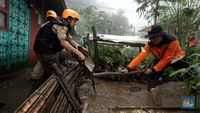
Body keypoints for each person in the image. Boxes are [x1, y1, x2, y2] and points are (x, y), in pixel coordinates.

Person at [32, 9, 85, 90]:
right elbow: (63, 42)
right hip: (45, 51)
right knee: (58, 74)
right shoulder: (62, 25)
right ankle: (57, 93)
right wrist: (79, 53)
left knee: (48, 73)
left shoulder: (63, 24)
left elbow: (69, 39)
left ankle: (36, 89)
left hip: (45, 49)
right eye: (74, 21)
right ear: (69, 19)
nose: (75, 23)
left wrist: (78, 46)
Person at [126, 25, 189, 89]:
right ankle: (151, 91)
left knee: (188, 73)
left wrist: (153, 69)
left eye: (154, 37)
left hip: (176, 58)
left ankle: (192, 93)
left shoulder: (172, 41)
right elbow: (141, 55)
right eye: (150, 37)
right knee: (152, 75)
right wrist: (129, 67)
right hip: (162, 59)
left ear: (160, 35)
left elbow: (167, 58)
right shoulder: (150, 44)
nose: (152, 40)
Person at [31, 10, 57, 80]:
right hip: (45, 48)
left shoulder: (43, 25)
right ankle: (49, 78)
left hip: (37, 47)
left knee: (40, 62)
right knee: (49, 63)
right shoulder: (54, 26)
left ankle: (34, 76)